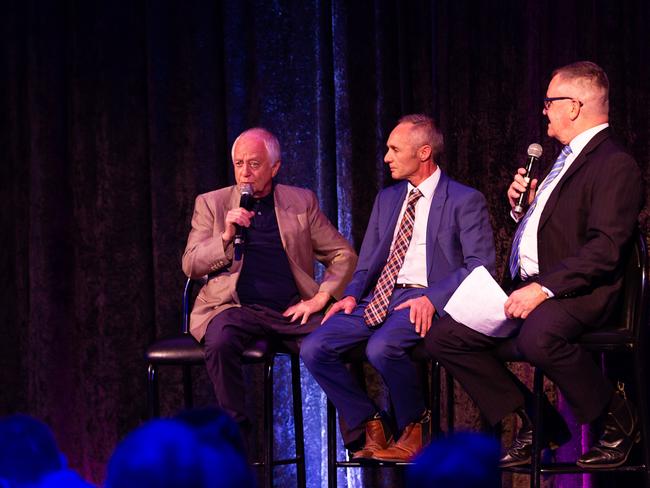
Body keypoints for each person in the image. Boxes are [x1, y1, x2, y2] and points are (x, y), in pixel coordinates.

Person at [425, 61, 643, 468]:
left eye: (549, 102)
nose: (543, 110)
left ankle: (618, 416)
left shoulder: (614, 163)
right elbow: (556, 229)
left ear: (575, 106)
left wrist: (544, 289)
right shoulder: (565, 161)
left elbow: (606, 249)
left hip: (582, 290)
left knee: (537, 337)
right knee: (444, 336)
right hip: (537, 285)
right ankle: (538, 419)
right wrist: (523, 209)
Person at [301, 114, 496, 462]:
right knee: (314, 346)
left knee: (382, 348)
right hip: (380, 295)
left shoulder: (465, 200)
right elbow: (368, 262)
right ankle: (370, 422)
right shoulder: (388, 199)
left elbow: (480, 264)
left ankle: (416, 427)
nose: (387, 157)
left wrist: (433, 299)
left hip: (424, 296)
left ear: (424, 152)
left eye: (394, 149)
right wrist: (349, 295)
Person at [182, 128, 357, 444]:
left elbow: (343, 254)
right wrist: (224, 237)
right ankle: (234, 438)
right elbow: (191, 265)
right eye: (238, 164)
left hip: (290, 309)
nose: (244, 173)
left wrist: (321, 297)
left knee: (333, 340)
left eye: (254, 164)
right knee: (219, 340)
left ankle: (360, 437)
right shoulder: (212, 203)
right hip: (235, 307)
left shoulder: (300, 201)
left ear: (275, 168)